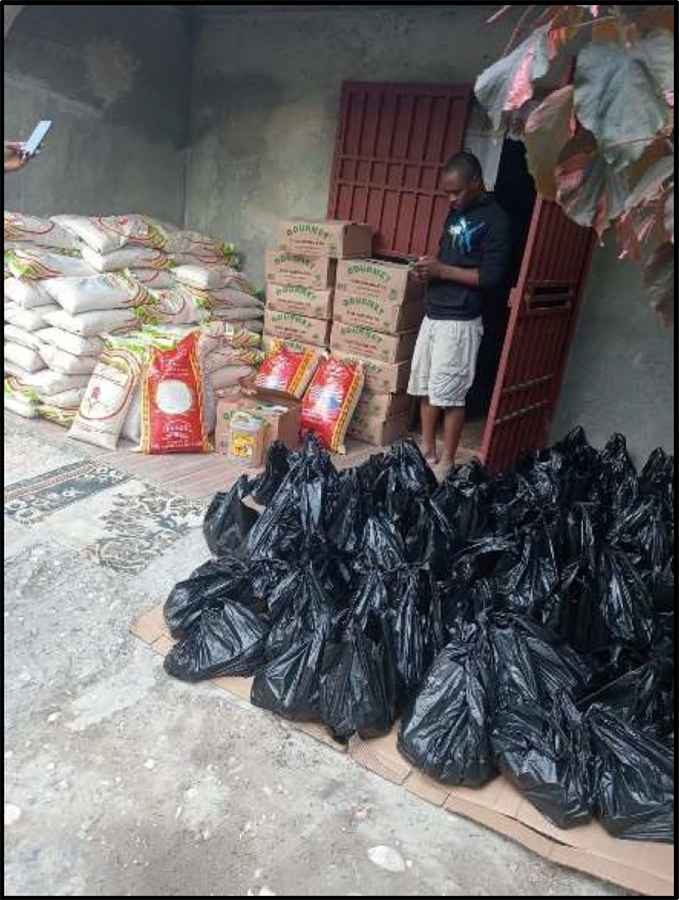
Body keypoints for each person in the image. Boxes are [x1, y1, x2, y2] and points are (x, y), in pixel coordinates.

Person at [408, 150, 510, 473]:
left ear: (476, 182)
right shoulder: (455, 213)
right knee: (425, 387)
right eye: (447, 193)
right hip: (434, 313)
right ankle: (427, 449)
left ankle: (448, 461)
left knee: (450, 396)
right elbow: (446, 258)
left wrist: (441, 271)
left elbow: (492, 278)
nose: (451, 199)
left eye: (457, 191)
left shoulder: (497, 220)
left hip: (460, 321)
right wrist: (427, 269)